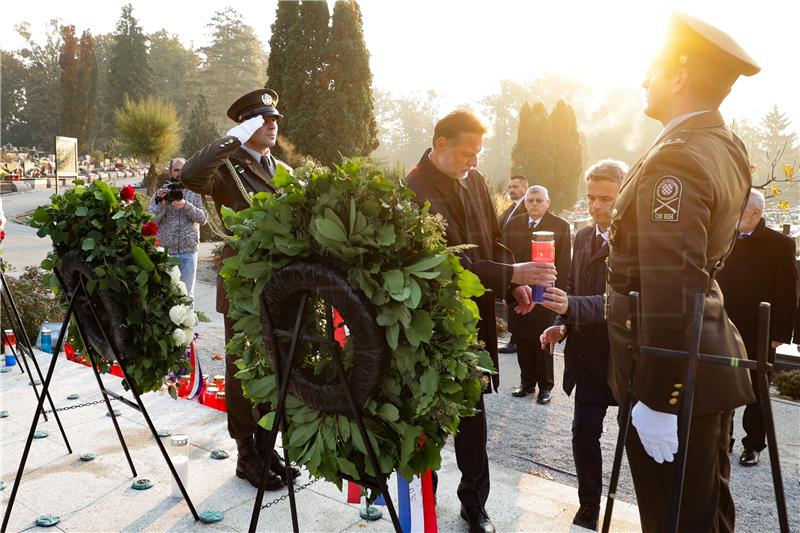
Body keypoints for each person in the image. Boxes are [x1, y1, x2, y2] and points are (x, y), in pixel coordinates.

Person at [606, 13, 760, 532]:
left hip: (674, 377)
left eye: (652, 68)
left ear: (678, 76)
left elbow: (673, 286)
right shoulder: (725, 146)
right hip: (705, 360)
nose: (643, 80)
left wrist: (658, 398)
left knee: (676, 522)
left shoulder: (676, 161)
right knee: (705, 515)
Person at [405, 109, 557, 533]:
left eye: (478, 153)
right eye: (467, 153)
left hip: (474, 321)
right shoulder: (412, 189)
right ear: (440, 145)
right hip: (430, 324)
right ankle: (422, 505)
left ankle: (474, 504)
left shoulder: (473, 182)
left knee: (473, 417)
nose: (474, 162)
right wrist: (511, 274)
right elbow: (442, 262)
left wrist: (512, 288)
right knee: (429, 415)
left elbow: (492, 240)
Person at [181, 89, 298, 491]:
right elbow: (190, 177)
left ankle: (269, 448)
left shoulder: (279, 168)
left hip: (281, 282)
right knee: (245, 369)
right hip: (246, 283)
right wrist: (233, 138)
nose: (272, 124)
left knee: (276, 366)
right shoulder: (227, 167)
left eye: (274, 119)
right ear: (246, 124)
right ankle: (247, 456)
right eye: (263, 119)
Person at [538, 160, 627, 530]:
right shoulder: (583, 236)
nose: (597, 207)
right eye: (591, 198)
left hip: (626, 357)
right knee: (584, 432)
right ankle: (588, 503)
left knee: (636, 440)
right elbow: (573, 288)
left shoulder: (638, 242)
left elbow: (622, 301)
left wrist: (572, 306)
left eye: (606, 199)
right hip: (588, 357)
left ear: (624, 195)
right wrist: (560, 325)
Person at [717, 189, 798, 466]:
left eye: (739, 210)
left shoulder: (780, 245)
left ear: (755, 213)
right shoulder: (725, 237)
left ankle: (752, 445)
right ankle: (721, 438)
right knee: (721, 380)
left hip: (759, 330)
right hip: (723, 325)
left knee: (757, 391)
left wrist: (778, 335)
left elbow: (788, 293)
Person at [503, 185, 571, 403]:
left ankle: (546, 387)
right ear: (525, 202)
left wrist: (553, 294)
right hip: (520, 293)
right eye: (530, 200)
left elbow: (564, 263)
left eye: (539, 200)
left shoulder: (560, 226)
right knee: (522, 338)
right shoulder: (514, 224)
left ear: (547, 203)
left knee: (542, 340)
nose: (534, 204)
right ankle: (526, 383)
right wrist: (511, 289)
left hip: (545, 295)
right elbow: (505, 256)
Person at [147, 158, 207, 300]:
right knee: (166, 295)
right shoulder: (160, 194)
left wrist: (186, 205)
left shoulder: (195, 193)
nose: (180, 174)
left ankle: (187, 323)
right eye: (176, 170)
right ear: (170, 172)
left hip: (189, 251)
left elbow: (203, 218)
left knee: (187, 295)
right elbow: (150, 221)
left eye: (183, 170)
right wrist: (162, 204)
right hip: (166, 252)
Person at [498, 175, 529, 355]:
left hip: (519, 259)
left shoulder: (528, 207)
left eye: (516, 187)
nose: (511, 190)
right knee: (513, 301)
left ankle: (516, 340)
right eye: (509, 187)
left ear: (525, 188)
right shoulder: (511, 209)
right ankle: (515, 338)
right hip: (508, 260)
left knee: (520, 299)